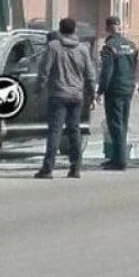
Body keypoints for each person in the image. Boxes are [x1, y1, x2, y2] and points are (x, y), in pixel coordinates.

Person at [34, 17, 97, 179]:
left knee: (55, 131)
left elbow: (44, 71)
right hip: (77, 95)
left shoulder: (53, 47)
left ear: (60, 30)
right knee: (74, 130)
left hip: (58, 94)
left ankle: (48, 168)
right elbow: (90, 74)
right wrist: (92, 94)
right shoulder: (83, 49)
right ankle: (75, 167)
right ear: (74, 30)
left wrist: (38, 89)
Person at [97, 16, 138, 171]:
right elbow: (133, 66)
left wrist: (100, 91)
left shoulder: (109, 46)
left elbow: (107, 71)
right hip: (128, 86)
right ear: (120, 26)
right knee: (123, 122)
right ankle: (117, 157)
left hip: (115, 88)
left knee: (115, 124)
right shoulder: (131, 45)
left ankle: (119, 160)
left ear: (107, 28)